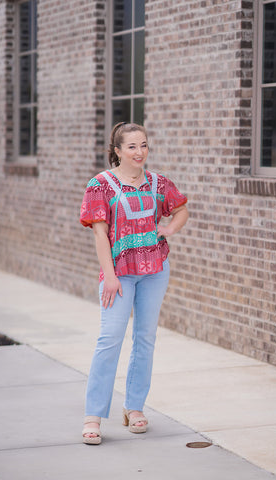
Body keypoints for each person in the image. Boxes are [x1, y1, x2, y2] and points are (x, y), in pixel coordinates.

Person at [79, 122, 188, 444]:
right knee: (110, 339)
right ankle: (93, 416)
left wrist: (168, 230)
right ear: (117, 151)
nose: (139, 152)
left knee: (145, 338)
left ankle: (135, 408)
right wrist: (110, 276)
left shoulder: (158, 183)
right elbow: (100, 234)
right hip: (120, 274)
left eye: (143, 145)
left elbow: (180, 210)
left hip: (155, 270)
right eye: (131, 147)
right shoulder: (101, 186)